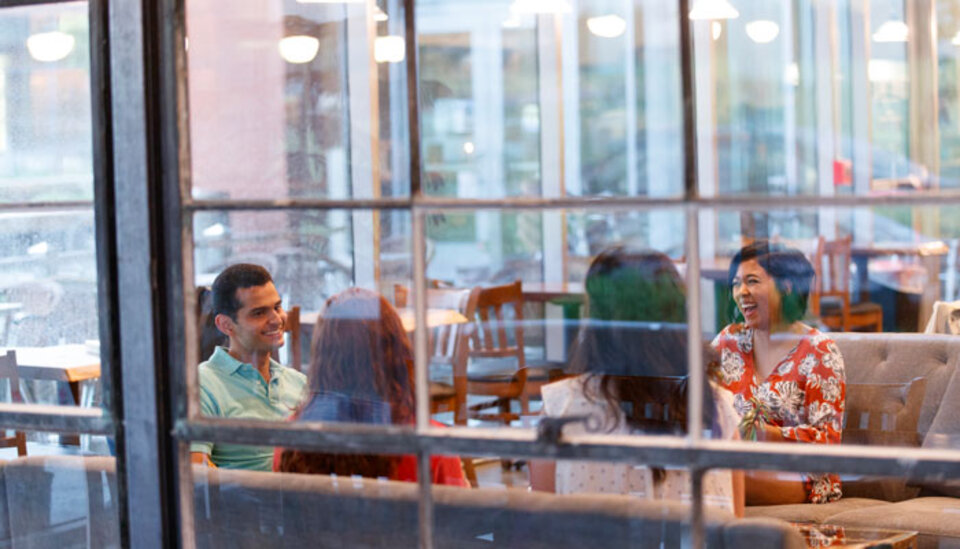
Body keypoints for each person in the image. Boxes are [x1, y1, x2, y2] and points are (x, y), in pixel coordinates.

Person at [531, 248, 743, 515]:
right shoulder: (719, 409)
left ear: (598, 319)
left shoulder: (560, 409)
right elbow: (734, 525)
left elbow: (542, 529)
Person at [275, 287, 468, 487]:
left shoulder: (291, 442)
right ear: (398, 353)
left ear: (321, 358)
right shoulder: (429, 445)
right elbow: (458, 514)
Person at [712, 239, 845, 504]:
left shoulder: (819, 351)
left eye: (752, 281)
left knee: (716, 476)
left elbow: (827, 442)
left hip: (801, 474)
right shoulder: (729, 341)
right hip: (738, 461)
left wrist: (764, 433)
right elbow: (694, 394)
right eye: (736, 283)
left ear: (787, 286)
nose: (741, 292)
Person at [190, 264, 307, 471]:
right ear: (226, 325)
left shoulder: (298, 382)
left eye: (277, 307)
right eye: (259, 313)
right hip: (243, 502)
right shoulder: (201, 385)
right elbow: (197, 471)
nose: (276, 320)